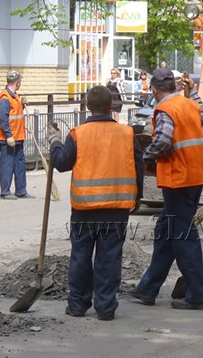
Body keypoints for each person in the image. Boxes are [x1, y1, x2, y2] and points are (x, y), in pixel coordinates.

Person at [48, 85, 144, 321]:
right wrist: (137, 198)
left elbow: (61, 163)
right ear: (112, 106)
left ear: (88, 106)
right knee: (109, 258)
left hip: (84, 209)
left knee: (81, 256)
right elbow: (138, 169)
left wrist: (55, 142)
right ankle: (106, 307)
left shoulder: (78, 134)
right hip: (117, 207)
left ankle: (78, 305)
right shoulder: (127, 134)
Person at [129, 68, 203, 310]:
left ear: (154, 90)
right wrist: (194, 93)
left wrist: (147, 157)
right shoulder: (188, 104)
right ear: (175, 86)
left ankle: (199, 295)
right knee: (166, 231)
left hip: (179, 178)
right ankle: (148, 288)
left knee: (182, 236)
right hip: (194, 175)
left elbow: (164, 140)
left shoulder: (165, 109)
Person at [0, 70, 30, 200]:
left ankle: (21, 190)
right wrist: (8, 135)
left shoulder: (15, 96)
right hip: (8, 139)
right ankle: (5, 192)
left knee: (19, 164)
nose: (20, 83)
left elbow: (15, 114)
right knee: (7, 165)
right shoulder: (4, 98)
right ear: (17, 82)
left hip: (18, 137)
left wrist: (22, 104)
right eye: (20, 81)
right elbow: (3, 119)